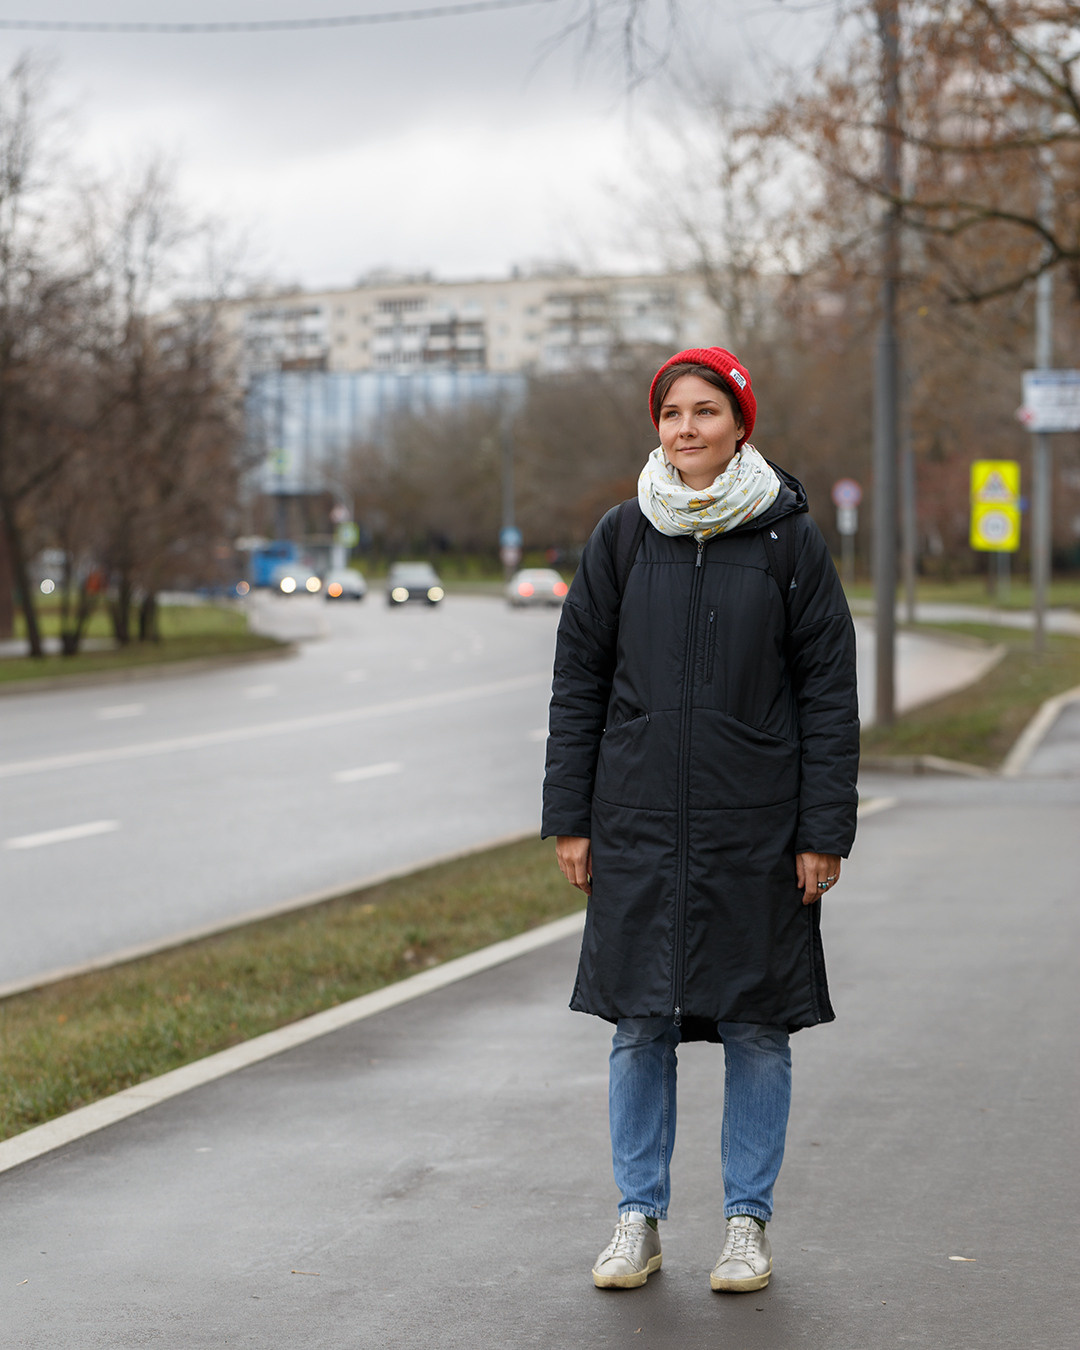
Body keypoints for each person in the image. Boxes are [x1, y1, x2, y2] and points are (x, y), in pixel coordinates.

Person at [542, 346, 859, 1294]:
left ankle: (745, 1225)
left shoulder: (789, 541)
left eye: (706, 411)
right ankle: (637, 1218)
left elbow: (828, 693)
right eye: (672, 412)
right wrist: (571, 818)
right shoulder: (621, 537)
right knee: (639, 1023)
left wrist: (822, 830)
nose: (687, 428)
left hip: (755, 824)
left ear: (740, 423)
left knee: (757, 1022)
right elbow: (579, 686)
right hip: (637, 821)